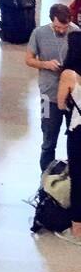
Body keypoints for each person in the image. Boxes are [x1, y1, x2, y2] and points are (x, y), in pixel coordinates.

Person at [27, 4, 80, 171]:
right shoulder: (39, 33)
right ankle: (45, 178)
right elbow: (29, 59)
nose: (62, 30)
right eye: (57, 27)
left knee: (74, 138)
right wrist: (45, 64)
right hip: (48, 95)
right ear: (51, 21)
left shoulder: (76, 33)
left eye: (64, 27)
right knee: (48, 139)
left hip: (72, 98)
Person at [56, 31, 81, 243]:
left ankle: (77, 230)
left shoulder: (69, 75)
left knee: (79, 178)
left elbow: (60, 102)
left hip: (78, 131)